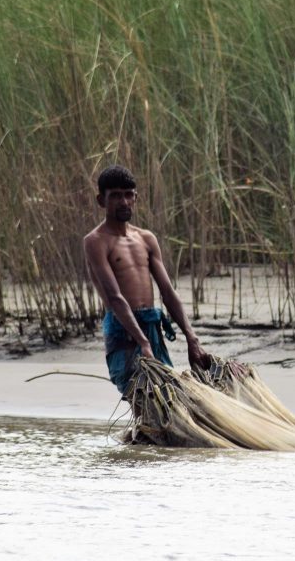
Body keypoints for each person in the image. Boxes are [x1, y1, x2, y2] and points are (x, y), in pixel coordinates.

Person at [83, 165, 210, 396]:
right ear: (101, 200)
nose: (123, 202)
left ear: (135, 198)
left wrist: (192, 339)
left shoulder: (146, 238)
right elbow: (114, 297)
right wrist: (142, 343)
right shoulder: (96, 241)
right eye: (115, 196)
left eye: (128, 194)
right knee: (141, 396)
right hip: (123, 328)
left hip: (151, 324)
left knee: (169, 396)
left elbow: (168, 293)